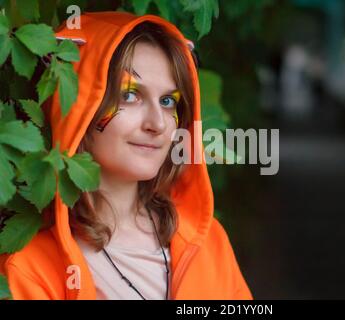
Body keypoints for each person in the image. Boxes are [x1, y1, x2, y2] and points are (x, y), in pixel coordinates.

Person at [0, 11, 253, 300]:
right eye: (130, 95)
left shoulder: (207, 242)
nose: (157, 123)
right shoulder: (29, 267)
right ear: (79, 107)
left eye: (168, 101)